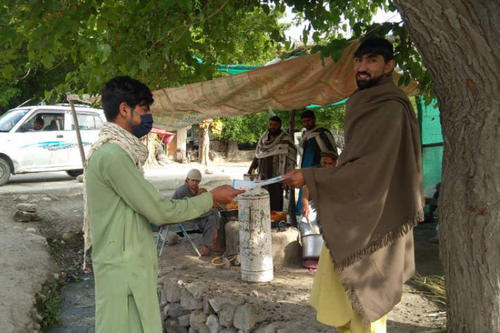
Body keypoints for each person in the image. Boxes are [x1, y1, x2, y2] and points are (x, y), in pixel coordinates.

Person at [283, 38, 424, 332]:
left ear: (389, 65)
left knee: (367, 308)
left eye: (372, 61)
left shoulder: (390, 108)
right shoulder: (361, 101)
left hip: (378, 218)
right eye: (359, 61)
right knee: (344, 305)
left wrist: (311, 177)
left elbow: (371, 170)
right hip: (356, 213)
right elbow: (355, 161)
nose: (362, 67)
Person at [83, 76, 243, 333]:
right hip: (123, 271)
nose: (148, 118)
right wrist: (211, 198)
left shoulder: (118, 154)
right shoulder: (113, 156)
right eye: (144, 110)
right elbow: (160, 211)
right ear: (124, 109)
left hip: (126, 267)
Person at [248, 116, 296, 211]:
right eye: (270, 124)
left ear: (280, 125)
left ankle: (276, 222)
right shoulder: (263, 139)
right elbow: (257, 155)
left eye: (275, 125)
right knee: (262, 199)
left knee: (276, 202)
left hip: (278, 176)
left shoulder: (286, 139)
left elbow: (291, 159)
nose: (272, 127)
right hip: (263, 174)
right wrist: (251, 170)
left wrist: (288, 177)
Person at [299, 152, 337, 271]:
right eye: (323, 163)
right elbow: (305, 193)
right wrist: (305, 205)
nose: (326, 166)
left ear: (335, 163)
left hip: (333, 206)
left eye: (329, 163)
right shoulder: (316, 174)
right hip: (315, 205)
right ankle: (310, 257)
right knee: (306, 220)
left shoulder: (339, 175)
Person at [296, 110, 338, 213]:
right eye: (304, 122)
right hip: (306, 166)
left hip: (319, 168)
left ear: (314, 119)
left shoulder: (323, 132)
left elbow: (330, 152)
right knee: (305, 191)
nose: (306, 124)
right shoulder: (306, 134)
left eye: (308, 121)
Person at [172, 168, 222, 256]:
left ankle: (205, 246)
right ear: (187, 180)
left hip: (195, 215)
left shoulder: (198, 190)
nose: (195, 183)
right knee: (214, 211)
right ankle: (215, 237)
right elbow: (174, 207)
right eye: (193, 180)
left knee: (211, 218)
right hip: (184, 215)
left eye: (197, 181)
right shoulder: (182, 191)